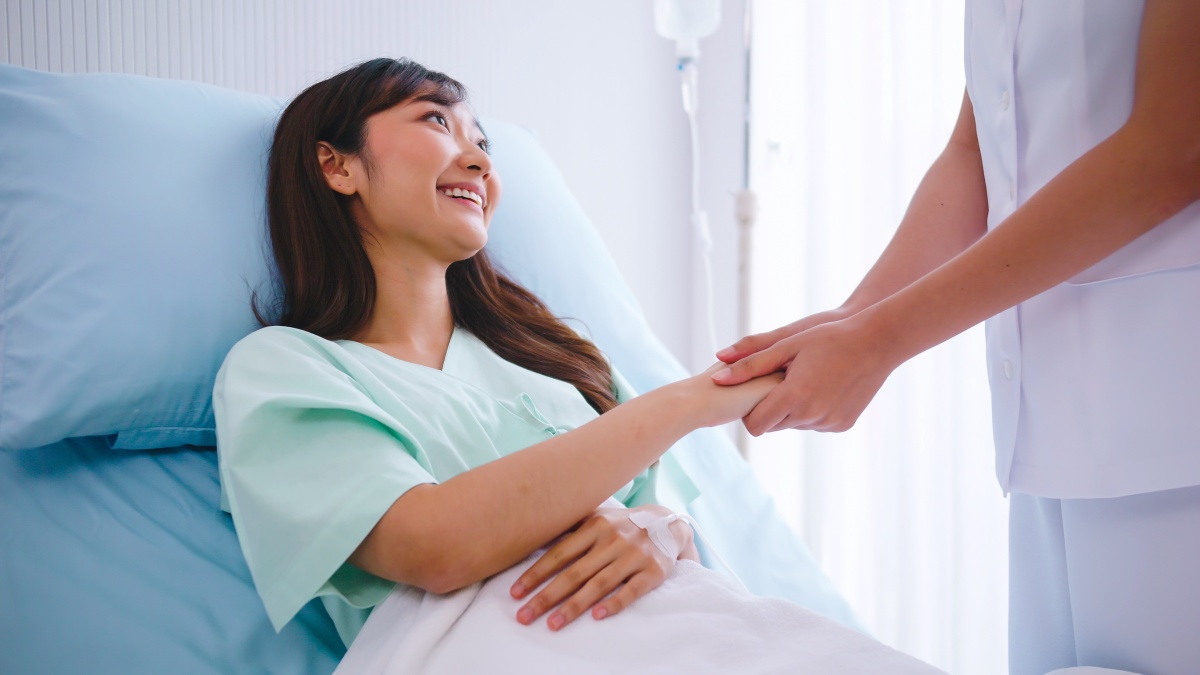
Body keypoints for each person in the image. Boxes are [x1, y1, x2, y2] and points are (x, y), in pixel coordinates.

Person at [212, 58, 942, 673]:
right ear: (335, 165)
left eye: (482, 141)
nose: (479, 160)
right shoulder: (282, 370)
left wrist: (657, 529)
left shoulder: (549, 356)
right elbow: (434, 545)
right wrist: (687, 402)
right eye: (436, 121)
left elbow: (668, 518)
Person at [713, 2, 1200, 674]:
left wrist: (877, 340)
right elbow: (975, 152)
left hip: (1171, 433)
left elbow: (1174, 146)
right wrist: (853, 318)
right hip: (1045, 436)